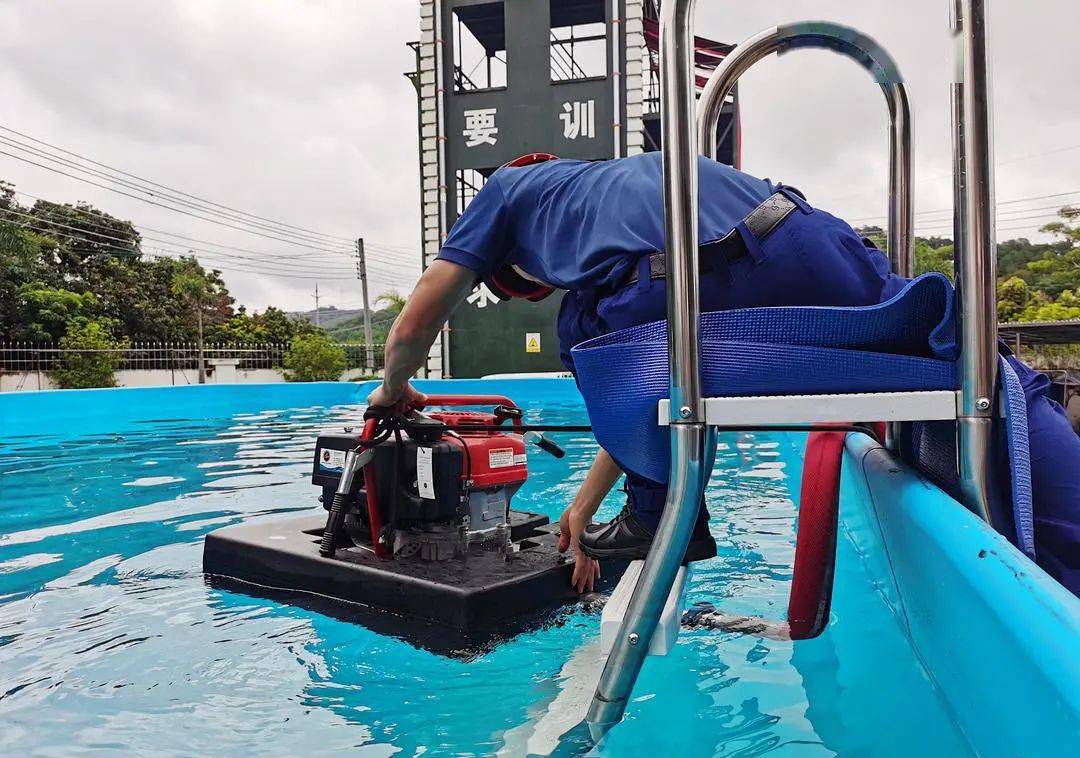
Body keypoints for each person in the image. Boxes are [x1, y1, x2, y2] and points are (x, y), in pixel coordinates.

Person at [369, 152, 1080, 596]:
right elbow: (653, 394)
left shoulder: (504, 196)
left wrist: (394, 388)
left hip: (703, 275)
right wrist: (581, 511)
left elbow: (414, 325)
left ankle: (660, 519)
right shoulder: (629, 181)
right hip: (808, 233)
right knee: (957, 354)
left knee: (585, 331)